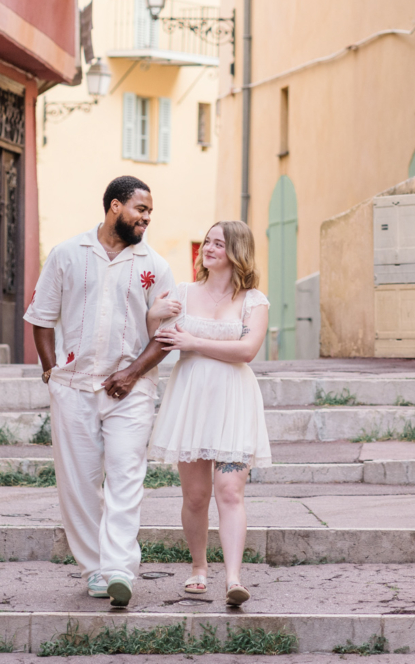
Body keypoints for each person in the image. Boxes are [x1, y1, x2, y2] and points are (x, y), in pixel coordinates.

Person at [24, 175, 176, 608]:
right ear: (114, 206)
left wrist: (130, 374)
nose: (147, 218)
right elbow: (41, 317)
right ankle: (96, 570)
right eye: (140, 209)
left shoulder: (155, 265)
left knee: (127, 477)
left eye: (149, 212)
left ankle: (120, 569)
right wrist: (52, 372)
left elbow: (165, 335)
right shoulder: (68, 254)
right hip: (73, 388)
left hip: (132, 390)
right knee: (80, 482)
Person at [147, 220, 270, 609]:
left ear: (237, 251)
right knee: (196, 495)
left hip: (234, 400)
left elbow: (247, 351)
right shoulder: (182, 294)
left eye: (219, 243)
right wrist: (154, 313)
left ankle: (234, 577)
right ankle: (199, 567)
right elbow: (156, 337)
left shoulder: (255, 301)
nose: (209, 248)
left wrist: (193, 341)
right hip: (191, 401)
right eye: (208, 242)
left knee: (230, 491)